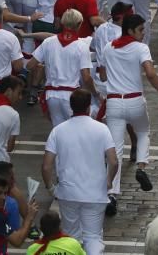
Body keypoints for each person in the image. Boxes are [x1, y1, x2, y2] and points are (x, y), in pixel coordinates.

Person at [97, 14, 158, 202]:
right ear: (130, 30)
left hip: (113, 101)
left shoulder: (108, 48)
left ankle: (111, 192)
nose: (143, 33)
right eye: (140, 29)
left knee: (116, 149)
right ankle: (141, 166)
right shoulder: (141, 48)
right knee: (143, 132)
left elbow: (103, 76)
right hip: (135, 100)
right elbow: (151, 73)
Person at [42, 90, 117, 254]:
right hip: (95, 192)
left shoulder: (58, 131)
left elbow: (46, 166)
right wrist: (109, 180)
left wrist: (51, 188)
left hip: (68, 192)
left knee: (71, 237)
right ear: (89, 107)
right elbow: (113, 161)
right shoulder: (102, 129)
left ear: (71, 107)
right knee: (93, 237)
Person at [27, 10, 97, 126]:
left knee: (58, 130)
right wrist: (95, 93)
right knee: (76, 131)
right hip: (71, 96)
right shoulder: (81, 46)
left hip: (51, 95)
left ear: (63, 22)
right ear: (79, 24)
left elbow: (30, 65)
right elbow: (86, 77)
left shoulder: (48, 42)